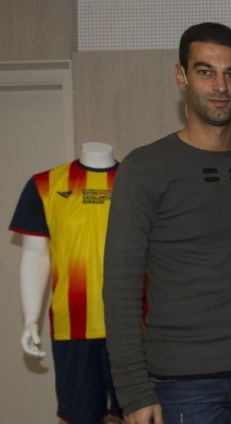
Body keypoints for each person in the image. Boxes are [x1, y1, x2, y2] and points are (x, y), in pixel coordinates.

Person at [103, 22, 231, 424]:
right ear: (181, 76)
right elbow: (120, 286)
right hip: (180, 384)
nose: (220, 86)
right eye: (206, 71)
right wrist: (133, 392)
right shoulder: (144, 168)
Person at [9, 142, 121, 424]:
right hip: (73, 325)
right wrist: (30, 319)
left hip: (134, 328)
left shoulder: (139, 182)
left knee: (142, 415)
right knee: (77, 417)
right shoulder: (46, 185)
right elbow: (35, 255)